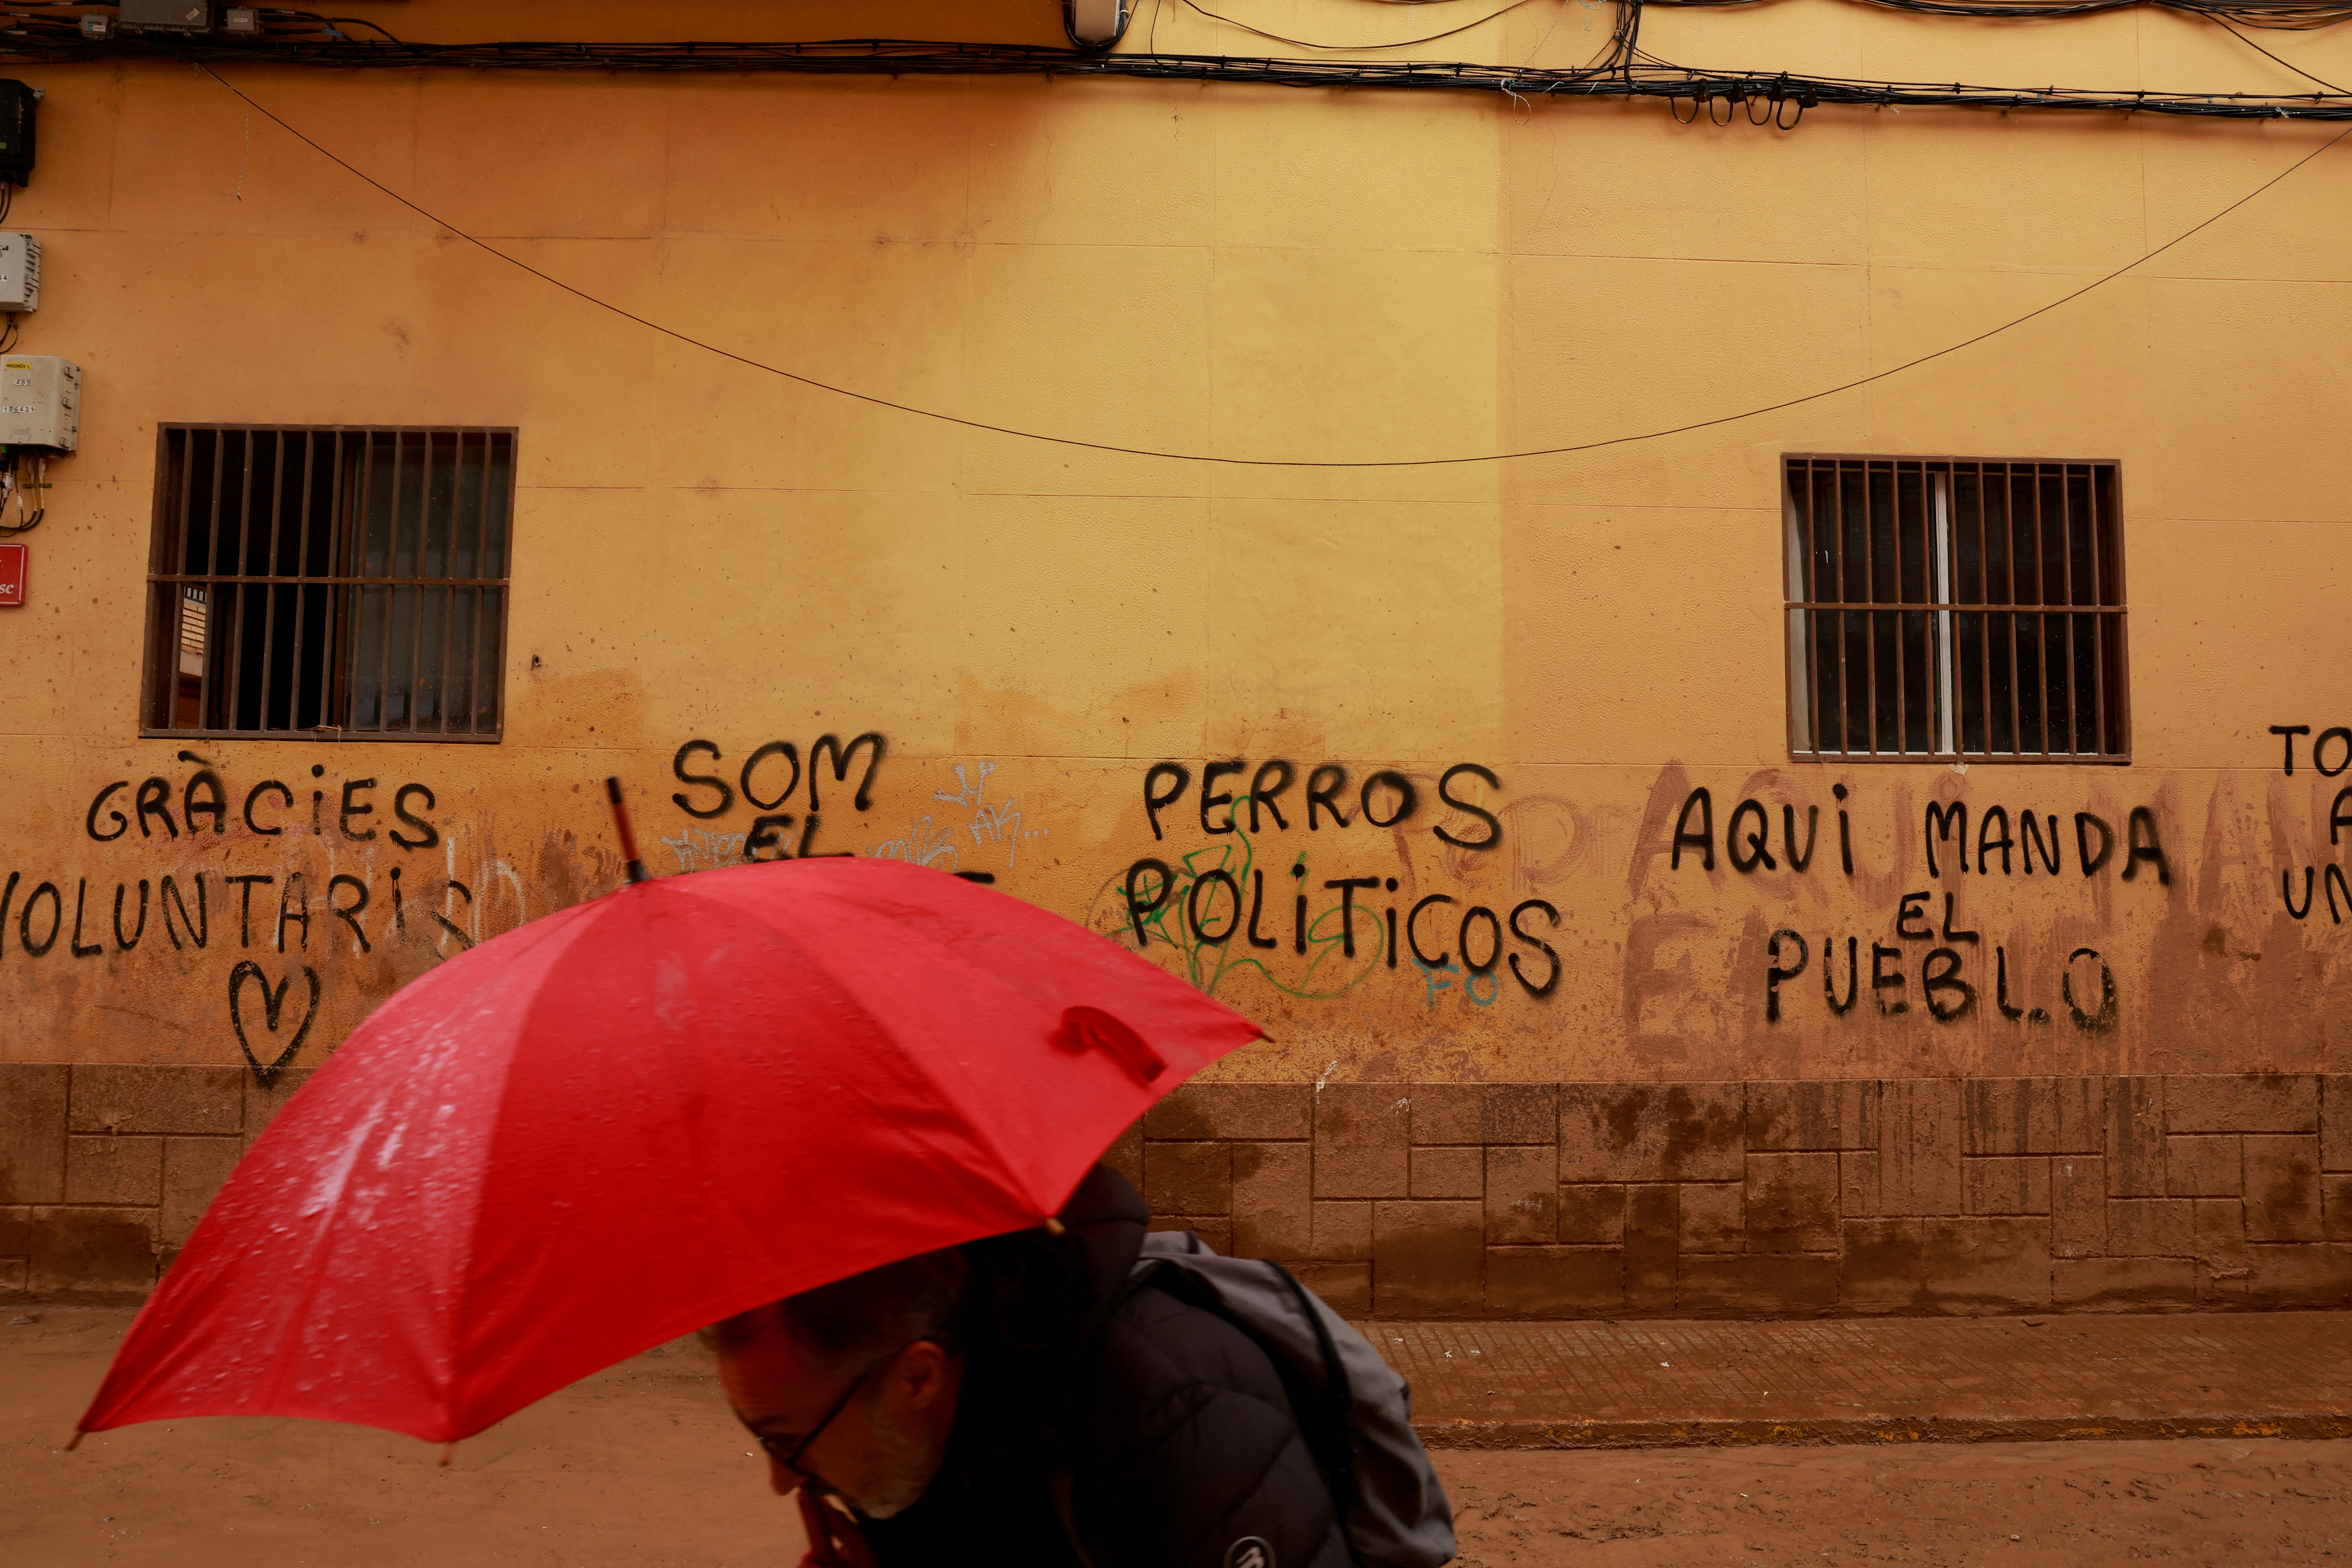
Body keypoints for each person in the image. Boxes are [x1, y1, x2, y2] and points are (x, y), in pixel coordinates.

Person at [708, 1164, 1357, 1568]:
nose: (780, 1480)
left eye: (788, 1440)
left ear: (917, 1378)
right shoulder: (912, 1451)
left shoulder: (1177, 1421)